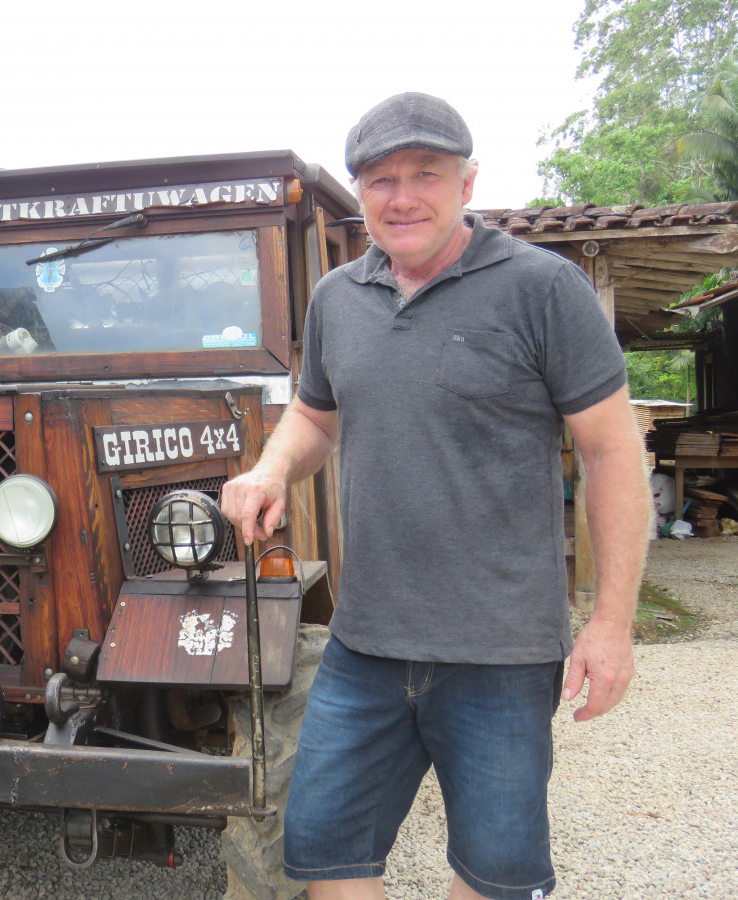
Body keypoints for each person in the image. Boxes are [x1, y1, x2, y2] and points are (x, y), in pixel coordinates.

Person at [220, 92, 650, 900]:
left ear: (468, 182)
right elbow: (315, 412)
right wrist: (273, 468)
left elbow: (612, 452)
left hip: (501, 654)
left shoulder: (544, 290)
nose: (403, 196)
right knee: (325, 852)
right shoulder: (338, 297)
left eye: (426, 173)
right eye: (381, 179)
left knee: (493, 872)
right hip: (366, 643)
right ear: (361, 191)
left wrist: (611, 623)